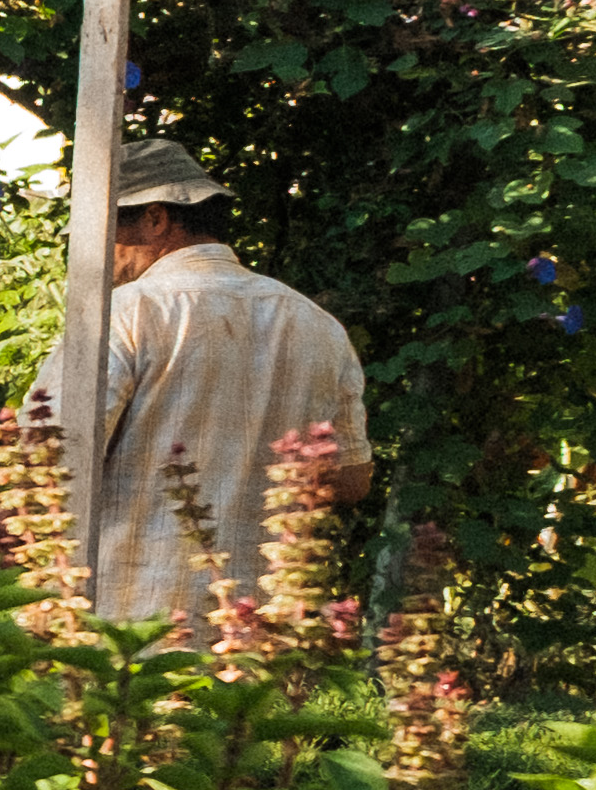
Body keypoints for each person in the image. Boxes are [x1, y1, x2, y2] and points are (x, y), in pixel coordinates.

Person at [28, 126, 373, 641]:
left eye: (105, 229)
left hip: (130, 635)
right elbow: (351, 481)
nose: (99, 251)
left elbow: (45, 460)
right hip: (262, 635)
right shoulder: (317, 325)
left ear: (156, 217)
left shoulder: (124, 314)